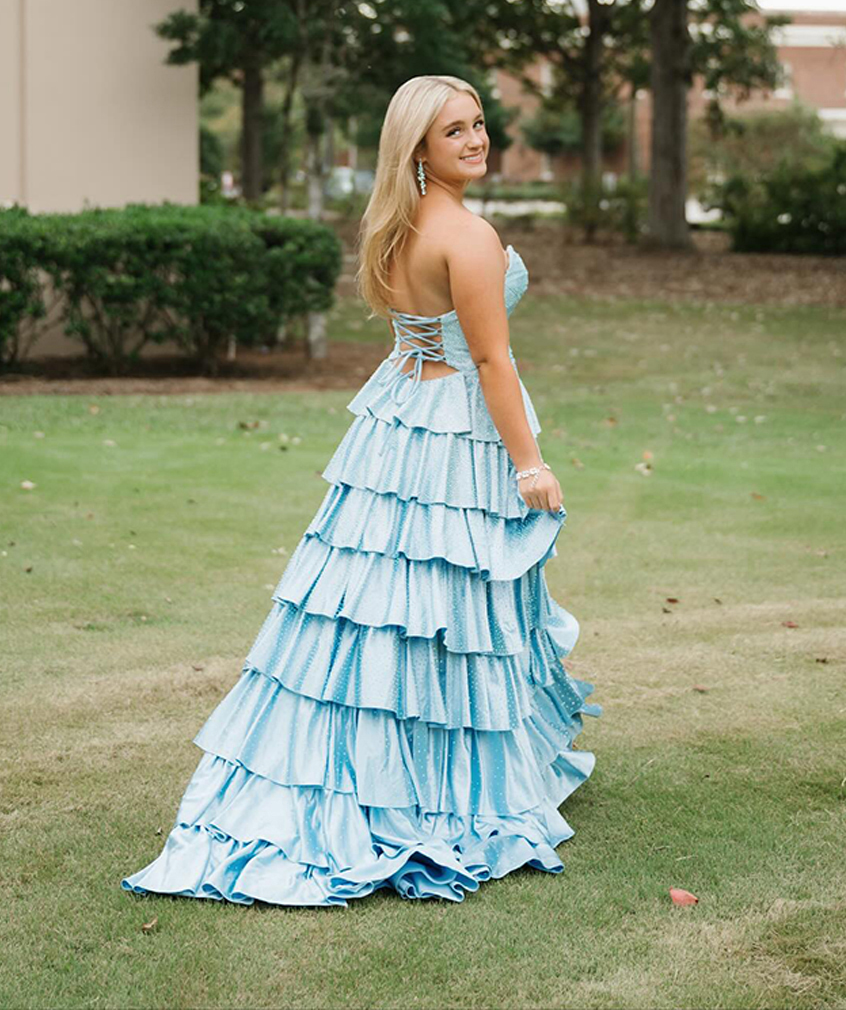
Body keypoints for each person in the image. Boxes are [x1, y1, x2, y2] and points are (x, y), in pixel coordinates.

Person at [121, 74, 601, 907]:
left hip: (399, 418)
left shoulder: (394, 225)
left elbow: (417, 335)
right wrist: (530, 463)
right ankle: (436, 784)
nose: (476, 140)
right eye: (455, 132)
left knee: (380, 596)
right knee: (445, 603)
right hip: (451, 430)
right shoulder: (469, 236)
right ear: (418, 147)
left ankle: (382, 763)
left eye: (479, 124)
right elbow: (489, 361)